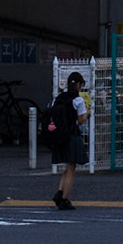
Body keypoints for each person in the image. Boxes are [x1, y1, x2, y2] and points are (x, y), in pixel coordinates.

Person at [48, 71, 89, 210]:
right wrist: (86, 113)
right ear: (78, 85)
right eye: (81, 85)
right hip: (72, 136)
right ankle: (65, 198)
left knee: (67, 167)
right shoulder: (78, 100)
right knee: (71, 168)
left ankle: (59, 192)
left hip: (60, 136)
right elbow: (80, 120)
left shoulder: (58, 98)